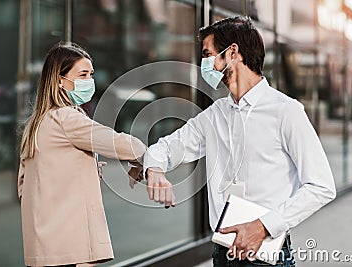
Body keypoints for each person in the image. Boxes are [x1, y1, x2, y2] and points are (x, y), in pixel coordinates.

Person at [143, 16, 336, 267]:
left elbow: (321, 186)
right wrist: (154, 168)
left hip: (265, 255)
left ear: (233, 52)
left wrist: (263, 227)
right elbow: (168, 147)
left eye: (208, 54)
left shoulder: (286, 111)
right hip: (222, 254)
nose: (205, 63)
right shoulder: (215, 115)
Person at [17, 42, 145, 267]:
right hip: (69, 246)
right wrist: (147, 156)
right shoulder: (67, 118)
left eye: (91, 74)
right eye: (82, 74)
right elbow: (116, 142)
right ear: (60, 80)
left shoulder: (36, 124)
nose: (89, 81)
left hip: (44, 244)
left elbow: (23, 185)